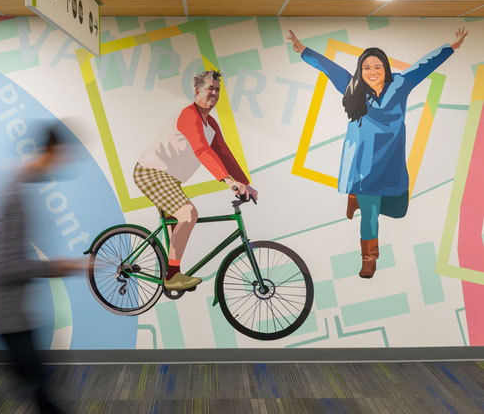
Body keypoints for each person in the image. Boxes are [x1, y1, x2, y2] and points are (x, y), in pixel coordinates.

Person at [287, 28, 468, 278]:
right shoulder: (354, 88)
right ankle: (369, 259)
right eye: (367, 68)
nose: (372, 72)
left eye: (377, 67)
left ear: (385, 69)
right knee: (371, 214)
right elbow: (330, 68)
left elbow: (423, 66)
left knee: (399, 209)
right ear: (361, 71)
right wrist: (304, 50)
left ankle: (357, 199)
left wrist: (451, 47)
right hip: (362, 160)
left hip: (390, 159)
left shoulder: (401, 84)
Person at [0, 123, 86, 414]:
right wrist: (60, 266)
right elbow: (8, 265)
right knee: (37, 390)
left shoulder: (18, 186)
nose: (66, 163)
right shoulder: (16, 193)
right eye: (64, 156)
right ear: (52, 152)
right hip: (9, 314)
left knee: (36, 388)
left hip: (14, 311)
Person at [133, 69, 258, 291]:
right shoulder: (189, 115)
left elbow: (223, 154)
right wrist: (229, 182)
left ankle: (171, 273)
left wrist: (245, 183)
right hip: (151, 172)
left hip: (170, 179)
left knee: (178, 224)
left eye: (218, 90)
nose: (215, 93)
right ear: (197, 90)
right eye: (211, 88)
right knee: (189, 214)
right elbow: (202, 150)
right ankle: (172, 277)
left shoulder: (211, 125)